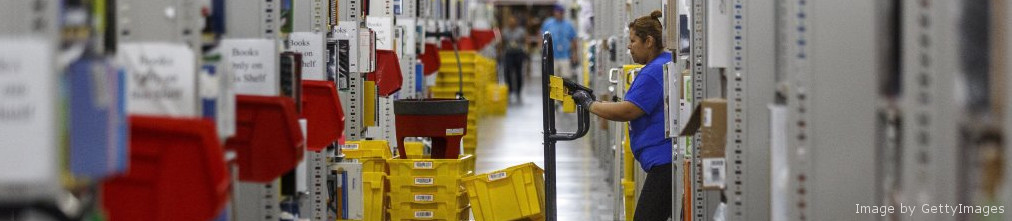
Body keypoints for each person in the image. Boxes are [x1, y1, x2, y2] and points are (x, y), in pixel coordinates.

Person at [571, 10, 672, 221]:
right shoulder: (660, 64)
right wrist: (597, 101)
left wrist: (590, 105)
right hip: (661, 161)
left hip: (664, 164)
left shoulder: (654, 71)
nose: (628, 46)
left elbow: (628, 110)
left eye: (633, 40)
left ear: (649, 41)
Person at [540, 4, 578, 80]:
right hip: (552, 56)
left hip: (565, 55)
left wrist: (575, 54)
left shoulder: (568, 25)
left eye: (560, 12)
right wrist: (542, 50)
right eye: (557, 12)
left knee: (566, 78)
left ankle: (564, 92)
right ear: (554, 13)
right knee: (553, 78)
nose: (559, 14)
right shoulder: (548, 24)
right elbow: (541, 37)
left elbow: (573, 40)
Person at [502, 16, 528, 102]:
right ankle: (509, 91)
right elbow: (503, 42)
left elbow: (525, 41)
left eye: (513, 22)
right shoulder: (505, 31)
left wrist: (526, 51)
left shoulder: (521, 31)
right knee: (508, 72)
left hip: (518, 53)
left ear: (516, 22)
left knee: (518, 73)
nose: (512, 23)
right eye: (510, 22)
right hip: (509, 53)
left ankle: (518, 91)